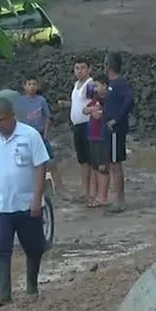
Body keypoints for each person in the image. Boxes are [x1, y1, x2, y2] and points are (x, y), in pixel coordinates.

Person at [0, 97, 50, 307]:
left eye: (1, 120)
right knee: (1, 248)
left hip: (27, 205)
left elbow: (40, 167)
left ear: (12, 117)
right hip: (0, 206)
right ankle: (3, 293)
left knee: (34, 247)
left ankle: (32, 286)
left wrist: (37, 198)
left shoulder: (30, 136)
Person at [57, 58, 95, 204]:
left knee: (91, 160)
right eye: (77, 68)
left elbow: (95, 101)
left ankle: (92, 192)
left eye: (83, 68)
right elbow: (79, 103)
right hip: (78, 125)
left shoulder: (90, 84)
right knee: (83, 160)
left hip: (88, 124)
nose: (80, 71)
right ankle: (85, 191)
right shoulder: (76, 85)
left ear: (89, 69)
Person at [102, 52, 134, 214]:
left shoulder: (120, 83)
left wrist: (116, 120)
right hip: (111, 129)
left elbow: (129, 100)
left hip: (115, 130)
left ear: (109, 65)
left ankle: (120, 202)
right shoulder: (112, 83)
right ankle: (119, 200)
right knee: (114, 164)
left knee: (116, 165)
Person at [17, 76, 60, 193]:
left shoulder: (41, 101)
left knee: (51, 162)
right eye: (29, 84)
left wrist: (46, 134)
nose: (31, 87)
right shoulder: (20, 101)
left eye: (34, 84)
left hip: (40, 135)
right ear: (24, 86)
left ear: (38, 86)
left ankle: (60, 189)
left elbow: (47, 118)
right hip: (25, 136)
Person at [85, 74, 110, 208]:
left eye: (97, 85)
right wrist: (91, 109)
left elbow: (104, 114)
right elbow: (85, 110)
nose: (94, 88)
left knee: (103, 168)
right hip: (92, 136)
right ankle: (97, 195)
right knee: (95, 166)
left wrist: (97, 112)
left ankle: (103, 197)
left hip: (102, 137)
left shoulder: (109, 99)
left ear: (104, 85)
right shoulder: (96, 98)